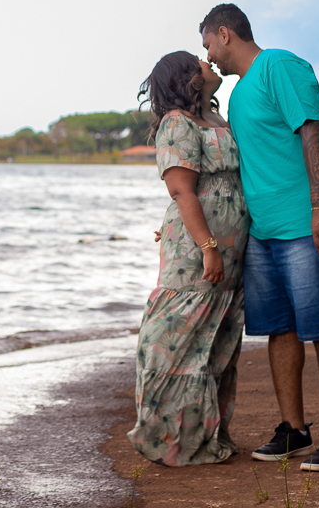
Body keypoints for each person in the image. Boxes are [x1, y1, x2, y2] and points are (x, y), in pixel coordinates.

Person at [199, 3, 319, 472]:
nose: (207, 55)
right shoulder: (237, 95)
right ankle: (294, 430)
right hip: (263, 233)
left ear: (224, 34)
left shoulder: (280, 65)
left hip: (305, 224)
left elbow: (311, 130)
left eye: (207, 44)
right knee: (279, 330)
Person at [128, 51, 249, 466]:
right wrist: (207, 246)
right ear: (186, 76)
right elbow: (182, 192)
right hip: (201, 248)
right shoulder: (177, 123)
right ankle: (163, 436)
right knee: (174, 335)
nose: (208, 62)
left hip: (230, 249)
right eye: (199, 60)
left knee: (215, 341)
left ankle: (200, 436)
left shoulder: (216, 121)